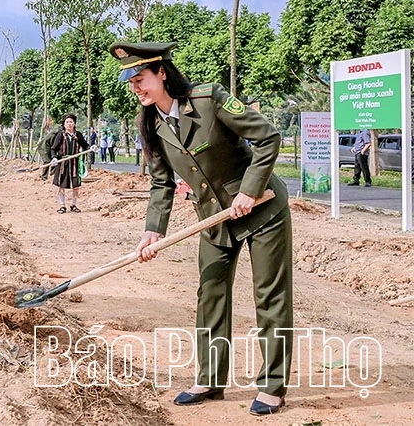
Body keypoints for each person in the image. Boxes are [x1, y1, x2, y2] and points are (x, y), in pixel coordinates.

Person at [113, 40, 292, 417]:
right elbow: (161, 184)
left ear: (162, 72)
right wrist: (152, 231)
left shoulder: (210, 100)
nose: (137, 88)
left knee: (269, 296)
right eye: (131, 83)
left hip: (262, 209)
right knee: (210, 293)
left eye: (141, 78)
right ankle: (210, 377)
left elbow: (268, 138)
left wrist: (249, 189)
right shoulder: (151, 123)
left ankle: (273, 386)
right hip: (213, 219)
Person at [49, 113, 89, 213]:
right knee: (61, 185)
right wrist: (54, 158)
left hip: (75, 164)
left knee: (76, 186)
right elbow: (54, 148)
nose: (69, 124)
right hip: (63, 163)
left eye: (71, 122)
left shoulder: (78, 135)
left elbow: (85, 146)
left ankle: (73, 205)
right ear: (64, 124)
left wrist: (91, 148)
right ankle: (62, 205)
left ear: (74, 123)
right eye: (67, 122)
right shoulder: (60, 135)